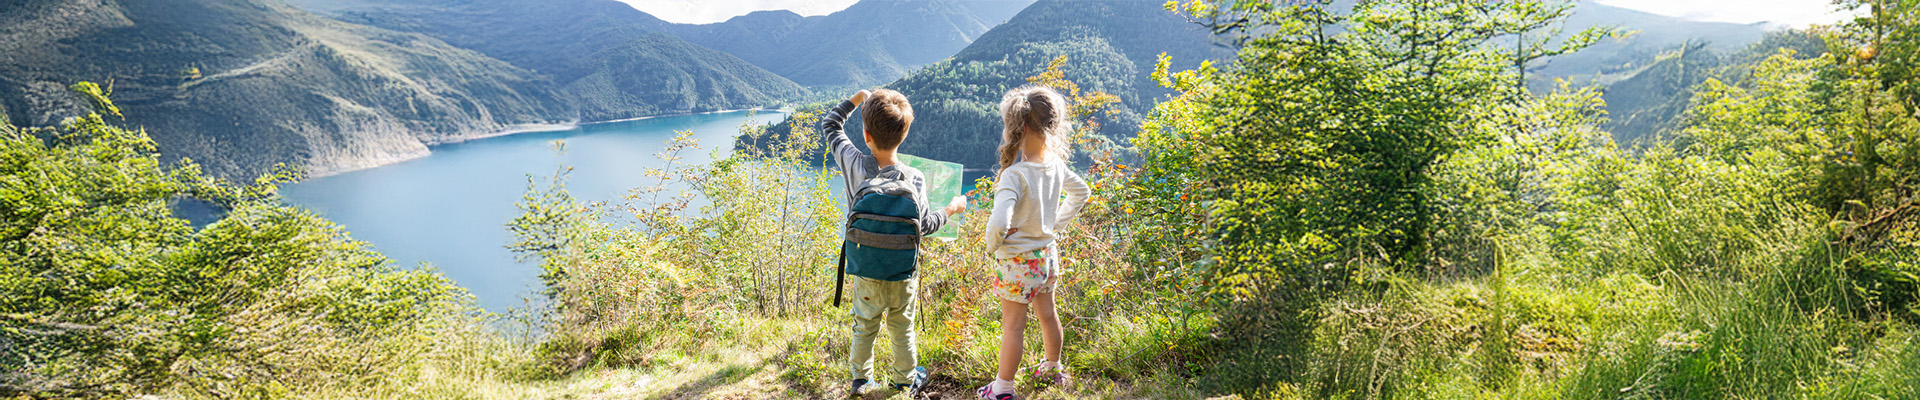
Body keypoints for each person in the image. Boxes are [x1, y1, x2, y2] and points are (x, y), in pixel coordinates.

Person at [822, 89, 966, 397]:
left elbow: (831, 125)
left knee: (864, 326)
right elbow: (925, 226)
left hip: (865, 268)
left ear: (866, 134)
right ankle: (905, 381)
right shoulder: (913, 177)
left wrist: (858, 98)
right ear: (905, 133)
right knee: (903, 329)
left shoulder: (853, 164)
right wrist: (952, 209)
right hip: (903, 273)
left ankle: (861, 380)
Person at [976, 86, 1091, 400]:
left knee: (1013, 326)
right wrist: (1053, 226)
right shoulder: (1053, 165)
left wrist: (992, 245)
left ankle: (1002, 390)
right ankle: (1053, 367)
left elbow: (999, 223)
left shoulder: (1014, 175)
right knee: (1048, 315)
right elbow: (1082, 192)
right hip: (1047, 257)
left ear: (1019, 127)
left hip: (1018, 263)